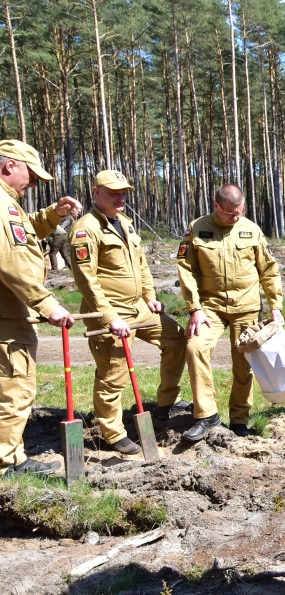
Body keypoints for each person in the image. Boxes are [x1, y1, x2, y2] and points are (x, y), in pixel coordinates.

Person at [70, 170, 191, 454]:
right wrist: (110, 317)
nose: (121, 197)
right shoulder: (85, 230)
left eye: (124, 192)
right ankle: (112, 433)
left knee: (177, 339)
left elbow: (142, 265)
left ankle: (166, 403)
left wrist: (150, 296)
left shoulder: (125, 223)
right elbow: (86, 281)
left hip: (139, 308)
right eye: (113, 193)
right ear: (96, 192)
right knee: (114, 374)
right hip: (110, 313)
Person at [0, 139, 82, 476]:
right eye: (31, 175)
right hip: (7, 316)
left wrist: (53, 215)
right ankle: (6, 465)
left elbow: (24, 232)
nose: (33, 183)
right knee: (15, 388)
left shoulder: (9, 204)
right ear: (8, 167)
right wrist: (49, 305)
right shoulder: (2, 206)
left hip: (8, 312)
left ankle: (12, 455)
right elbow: (12, 261)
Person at [177, 184, 283, 441]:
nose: (235, 217)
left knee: (243, 366)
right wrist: (194, 309)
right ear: (216, 206)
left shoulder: (251, 229)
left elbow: (268, 269)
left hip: (246, 306)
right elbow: (186, 270)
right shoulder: (197, 228)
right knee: (195, 347)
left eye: (239, 212)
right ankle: (206, 415)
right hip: (209, 307)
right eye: (229, 213)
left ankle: (239, 420)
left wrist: (275, 306)